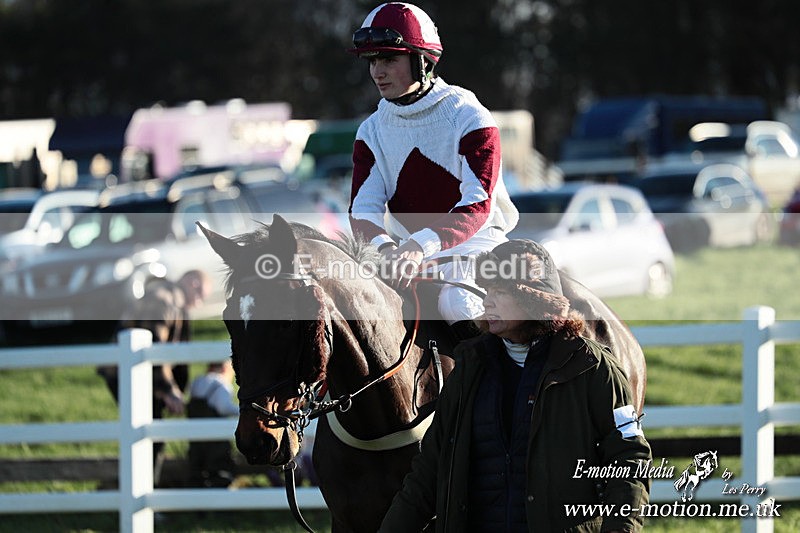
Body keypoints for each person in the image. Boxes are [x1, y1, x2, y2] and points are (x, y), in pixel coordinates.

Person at [379, 239, 651, 532]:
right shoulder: (469, 367)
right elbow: (428, 472)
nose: (487, 301)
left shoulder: (593, 368)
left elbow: (629, 459)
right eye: (488, 291)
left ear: (535, 299)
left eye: (500, 291)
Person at [347, 2, 519, 340]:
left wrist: (417, 246)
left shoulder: (470, 117)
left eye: (389, 59)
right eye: (373, 61)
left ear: (422, 60)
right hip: (404, 257)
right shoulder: (371, 130)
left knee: (458, 303)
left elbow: (477, 206)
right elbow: (362, 212)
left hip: (475, 248)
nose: (377, 72)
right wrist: (388, 251)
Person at [97, 269, 212, 482]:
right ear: (192, 283)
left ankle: (142, 490)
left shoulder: (171, 301)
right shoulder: (163, 301)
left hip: (139, 376)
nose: (199, 302)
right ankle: (141, 493)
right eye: (200, 295)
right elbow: (152, 348)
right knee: (147, 437)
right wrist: (168, 390)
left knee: (149, 435)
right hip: (131, 376)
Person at [186, 360, 239, 488]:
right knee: (220, 468)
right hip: (216, 441)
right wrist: (241, 411)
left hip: (196, 436)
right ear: (225, 369)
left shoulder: (197, 381)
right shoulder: (221, 384)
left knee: (197, 468)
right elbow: (223, 407)